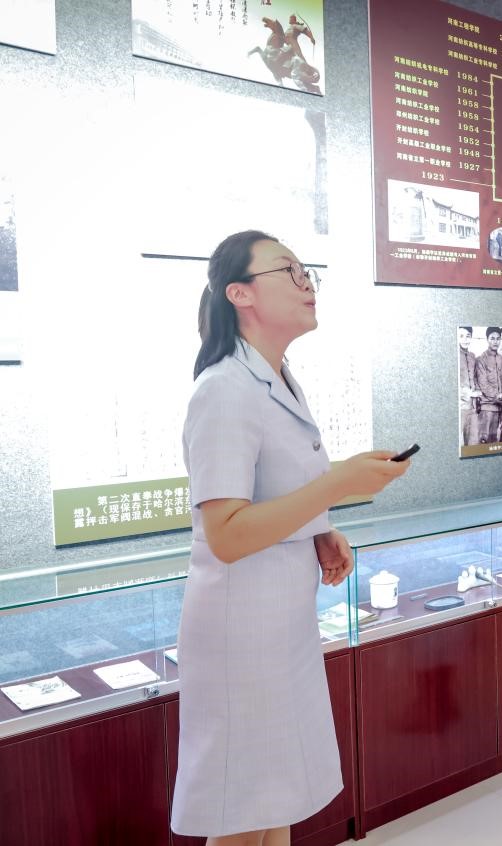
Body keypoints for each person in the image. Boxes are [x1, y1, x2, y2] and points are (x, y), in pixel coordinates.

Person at [172, 231, 410, 845]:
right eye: (290, 271)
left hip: (279, 622)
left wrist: (320, 529)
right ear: (240, 294)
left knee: (273, 798)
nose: (307, 284)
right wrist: (337, 485)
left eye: (308, 273)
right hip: (240, 632)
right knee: (241, 814)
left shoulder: (276, 379)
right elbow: (226, 534)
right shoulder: (223, 388)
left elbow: (272, 496)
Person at [475, 326, 502, 443]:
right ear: (487, 339)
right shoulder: (481, 359)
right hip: (486, 408)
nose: (495, 342)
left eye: (498, 339)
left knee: (493, 442)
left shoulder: (501, 359)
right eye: (492, 338)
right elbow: (483, 384)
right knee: (483, 443)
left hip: (498, 408)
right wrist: (497, 394)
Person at [458, 326, 480, 446]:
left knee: (472, 442)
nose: (465, 339)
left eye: (468, 336)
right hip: (459, 406)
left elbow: (475, 377)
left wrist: (478, 391)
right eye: (461, 336)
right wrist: (469, 393)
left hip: (472, 406)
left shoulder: (472, 356)